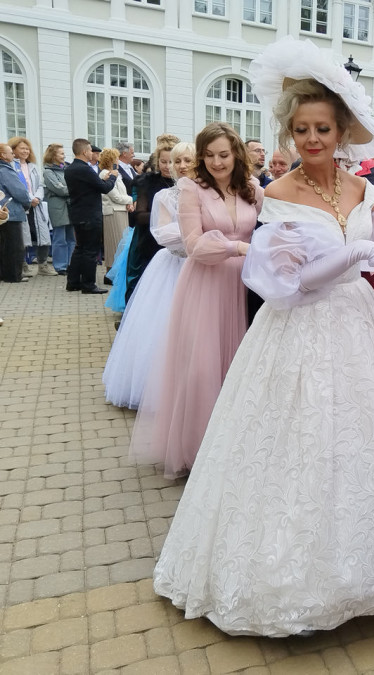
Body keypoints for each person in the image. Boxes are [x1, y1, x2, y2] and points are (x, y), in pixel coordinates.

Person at [152, 36, 374, 637]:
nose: (312, 140)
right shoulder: (275, 197)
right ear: (289, 134)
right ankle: (287, 579)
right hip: (297, 329)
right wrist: (355, 252)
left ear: (342, 131)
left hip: (360, 326)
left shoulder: (366, 190)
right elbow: (291, 284)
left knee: (365, 440)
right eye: (302, 129)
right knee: (297, 442)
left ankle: (373, 572)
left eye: (323, 129)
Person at [129, 123, 263, 476]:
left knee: (235, 366)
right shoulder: (192, 189)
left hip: (243, 287)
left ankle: (229, 447)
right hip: (204, 283)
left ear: (236, 153)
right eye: (209, 155)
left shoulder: (252, 190)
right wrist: (238, 246)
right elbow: (193, 244)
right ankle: (196, 450)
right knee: (202, 367)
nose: (217, 162)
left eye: (224, 154)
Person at [103, 142, 195, 409]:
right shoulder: (164, 197)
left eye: (187, 160)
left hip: (202, 266)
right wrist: (198, 237)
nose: (181, 166)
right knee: (162, 325)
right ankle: (159, 389)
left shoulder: (209, 193)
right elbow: (162, 233)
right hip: (173, 265)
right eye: (177, 161)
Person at [124, 138, 177, 302]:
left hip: (177, 243)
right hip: (150, 241)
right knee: (146, 284)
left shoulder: (187, 183)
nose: (167, 166)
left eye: (171, 161)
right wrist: (169, 218)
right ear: (157, 161)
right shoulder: (147, 182)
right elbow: (139, 216)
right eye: (163, 161)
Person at [64, 138, 118, 293]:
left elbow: (89, 186)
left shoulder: (70, 168)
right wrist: (113, 176)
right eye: (90, 151)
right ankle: (88, 284)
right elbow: (104, 188)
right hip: (90, 214)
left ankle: (73, 282)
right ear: (84, 152)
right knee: (90, 251)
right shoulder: (85, 169)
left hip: (77, 212)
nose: (92, 153)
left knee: (80, 248)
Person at [10, 137, 53, 276]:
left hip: (37, 205)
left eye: (27, 149)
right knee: (22, 237)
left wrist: (37, 197)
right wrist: (29, 198)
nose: (26, 151)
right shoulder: (11, 166)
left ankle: (43, 266)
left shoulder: (32, 166)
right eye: (22, 148)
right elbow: (16, 186)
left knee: (43, 236)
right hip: (21, 205)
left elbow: (40, 185)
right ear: (13, 150)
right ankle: (22, 265)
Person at [98, 148, 134, 276]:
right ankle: (111, 273)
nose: (118, 160)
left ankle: (116, 272)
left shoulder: (115, 174)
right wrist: (132, 200)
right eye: (116, 158)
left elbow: (121, 195)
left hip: (121, 211)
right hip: (113, 212)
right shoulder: (105, 174)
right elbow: (115, 197)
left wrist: (128, 203)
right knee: (114, 243)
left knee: (121, 243)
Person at [0, 143, 31, 283]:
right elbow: (19, 191)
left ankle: (4, 274)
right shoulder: (5, 170)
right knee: (15, 246)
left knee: (4, 245)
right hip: (10, 211)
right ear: (3, 155)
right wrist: (27, 202)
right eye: (10, 153)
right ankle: (14, 275)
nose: (13, 155)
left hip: (4, 211)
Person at [43, 144, 75, 274]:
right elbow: (59, 189)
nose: (64, 156)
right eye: (61, 153)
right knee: (60, 238)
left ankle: (71, 264)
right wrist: (74, 190)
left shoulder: (67, 168)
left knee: (71, 238)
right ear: (53, 155)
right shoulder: (48, 171)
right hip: (57, 208)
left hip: (70, 206)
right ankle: (61, 266)